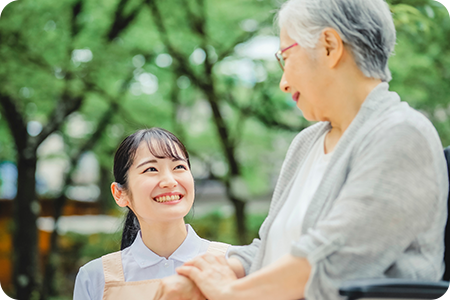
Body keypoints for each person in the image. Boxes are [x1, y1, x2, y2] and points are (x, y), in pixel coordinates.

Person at [169, 0, 449, 299]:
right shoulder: (307, 143)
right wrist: (211, 273)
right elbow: (271, 248)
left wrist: (230, 292)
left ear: (330, 46)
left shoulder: (401, 134)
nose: (283, 83)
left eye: (285, 57)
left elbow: (333, 262)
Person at [73, 128, 228, 300]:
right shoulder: (95, 278)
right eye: (151, 169)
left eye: (179, 166)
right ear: (120, 194)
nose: (169, 181)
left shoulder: (233, 263)